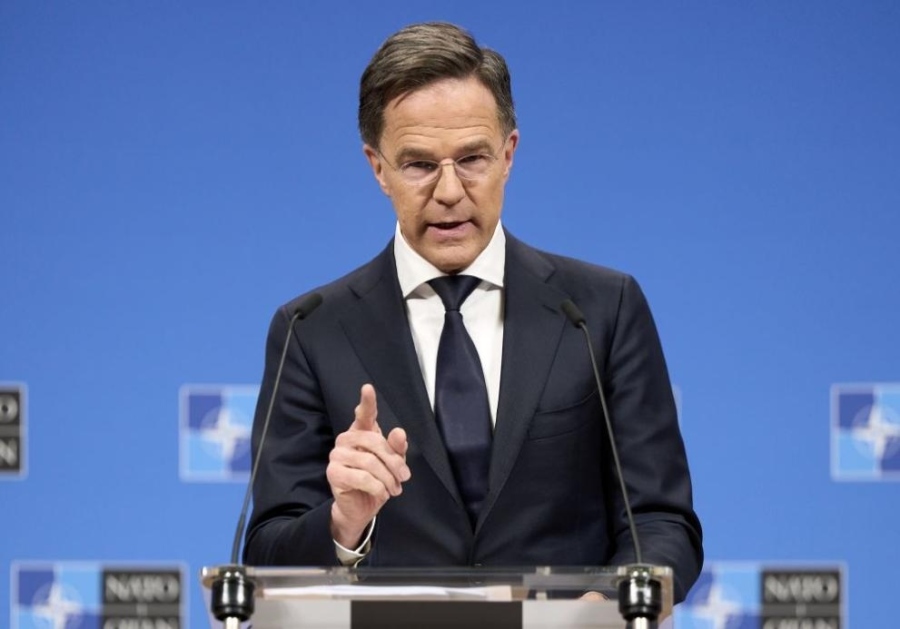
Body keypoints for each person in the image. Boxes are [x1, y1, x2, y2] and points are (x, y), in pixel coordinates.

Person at [243, 21, 703, 602]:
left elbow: (661, 523)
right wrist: (343, 523)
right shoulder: (311, 331)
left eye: (472, 159)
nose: (449, 191)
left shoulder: (600, 311)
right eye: (418, 164)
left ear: (508, 154)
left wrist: (606, 608)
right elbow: (267, 553)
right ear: (378, 168)